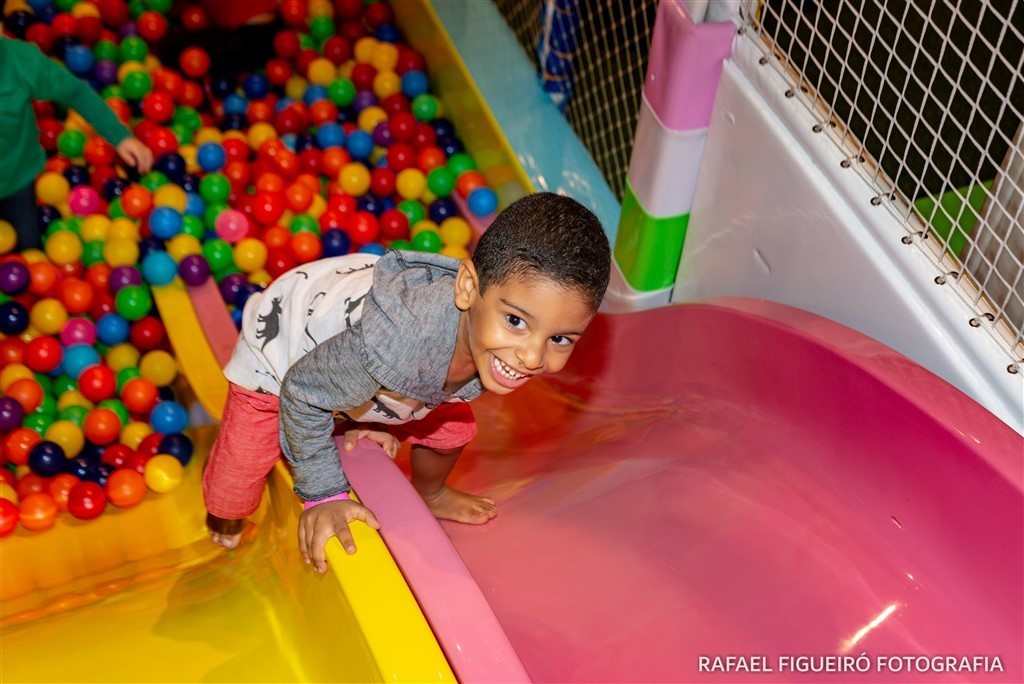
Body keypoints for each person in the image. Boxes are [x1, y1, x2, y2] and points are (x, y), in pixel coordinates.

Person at [203, 192, 611, 572]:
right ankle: (222, 517)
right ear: (469, 288)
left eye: (559, 339)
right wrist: (324, 496)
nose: (533, 357)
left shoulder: (491, 337)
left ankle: (430, 493)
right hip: (282, 361)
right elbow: (303, 392)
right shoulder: (398, 341)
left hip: (360, 360)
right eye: (516, 322)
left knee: (453, 427)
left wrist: (366, 416)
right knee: (234, 489)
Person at [0, 29, 152, 251]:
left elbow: (76, 92)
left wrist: (120, 137)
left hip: (17, 178)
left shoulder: (21, 62)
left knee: (27, 254)